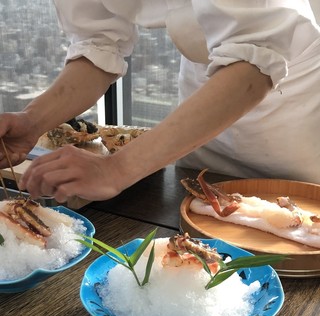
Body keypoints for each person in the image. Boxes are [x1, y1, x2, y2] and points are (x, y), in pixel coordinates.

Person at [0, 1, 319, 204]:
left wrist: (117, 168)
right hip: (202, 113)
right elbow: (98, 47)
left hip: (292, 107)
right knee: (197, 219)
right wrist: (32, 121)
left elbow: (254, 64)